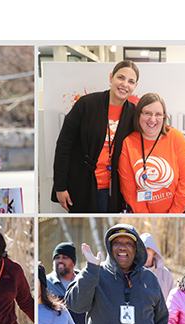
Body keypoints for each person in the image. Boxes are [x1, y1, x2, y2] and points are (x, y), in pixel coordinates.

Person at [65, 224, 183, 324]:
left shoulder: (150, 279)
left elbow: (161, 322)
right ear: (109, 247)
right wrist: (91, 269)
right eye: (116, 243)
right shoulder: (95, 274)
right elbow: (75, 305)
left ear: (136, 249)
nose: (122, 247)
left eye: (128, 243)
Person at [52, 61, 139, 213]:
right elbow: (64, 146)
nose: (125, 84)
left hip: (117, 189)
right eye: (121, 77)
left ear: (135, 86)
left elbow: (156, 134)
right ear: (111, 77)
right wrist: (60, 187)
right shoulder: (87, 104)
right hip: (82, 185)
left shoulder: (134, 114)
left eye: (131, 81)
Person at [118, 93, 185, 213]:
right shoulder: (128, 143)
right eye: (147, 113)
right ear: (139, 114)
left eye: (158, 114)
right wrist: (145, 217)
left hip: (177, 213)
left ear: (164, 117)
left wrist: (173, 214)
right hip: (141, 214)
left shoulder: (176, 137)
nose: (152, 119)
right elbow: (128, 187)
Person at [46, 242, 86, 324]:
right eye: (57, 258)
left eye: (65, 257)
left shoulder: (83, 281)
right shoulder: (46, 283)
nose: (60, 260)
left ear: (73, 262)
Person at [141, 233, 176, 301]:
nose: (145, 252)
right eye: (143, 248)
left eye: (148, 248)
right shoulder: (131, 273)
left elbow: (172, 303)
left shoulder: (166, 275)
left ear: (154, 251)